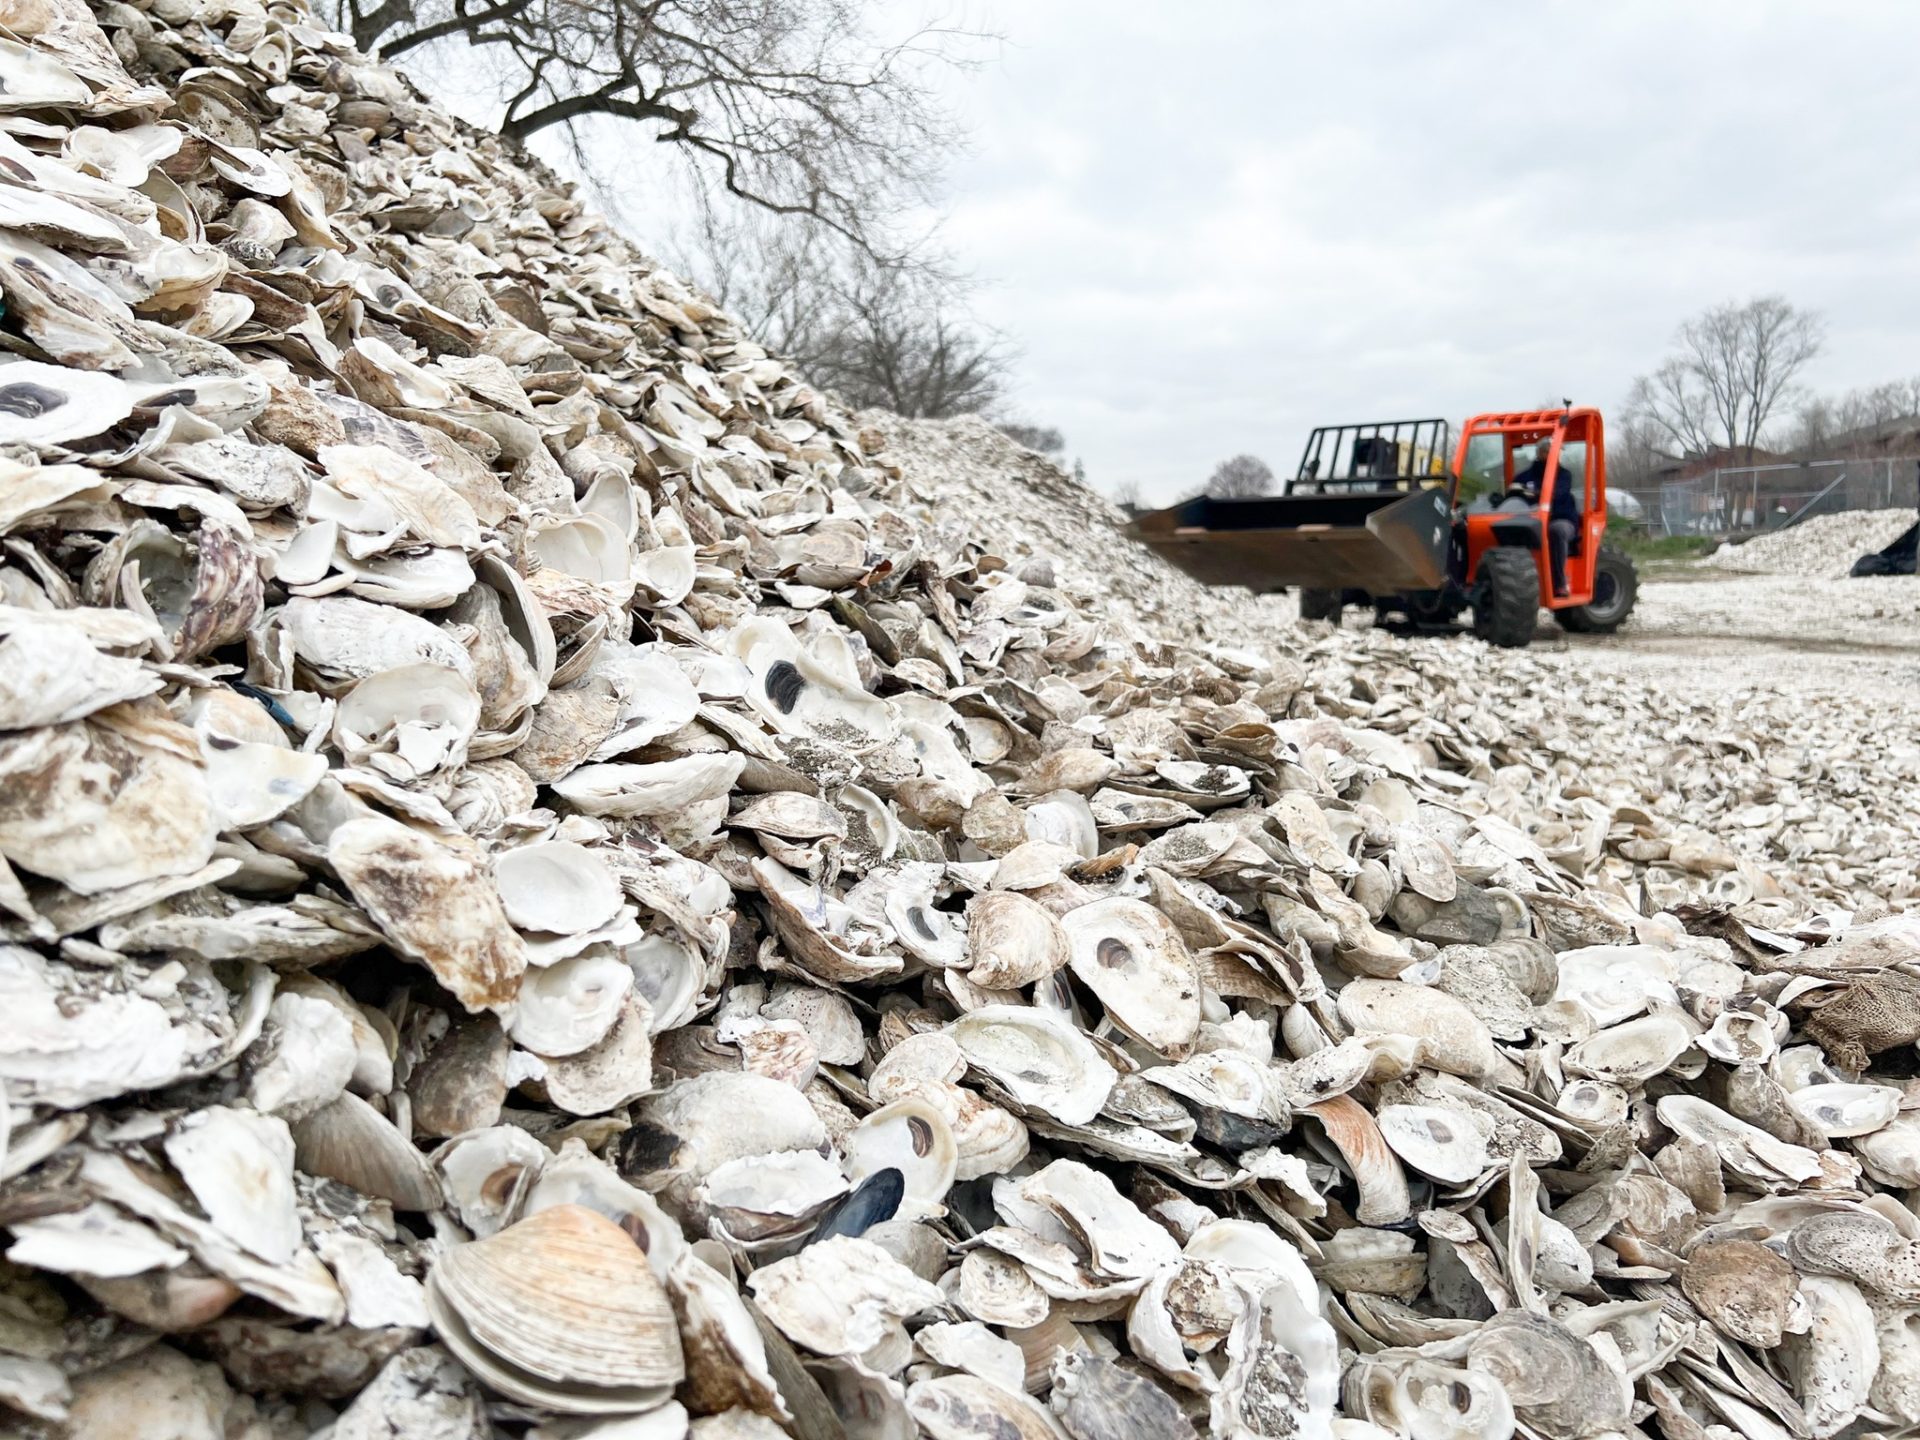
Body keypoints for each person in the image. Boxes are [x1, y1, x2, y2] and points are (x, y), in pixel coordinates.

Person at [1512, 442, 1580, 598]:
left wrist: (1534, 493)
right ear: (1540, 453)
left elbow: (1556, 494)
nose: (1555, 455)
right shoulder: (1524, 477)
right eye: (1549, 452)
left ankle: (1560, 583)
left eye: (1556, 452)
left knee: (1556, 530)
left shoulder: (1563, 475)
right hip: (1530, 520)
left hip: (1561, 518)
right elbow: (1514, 494)